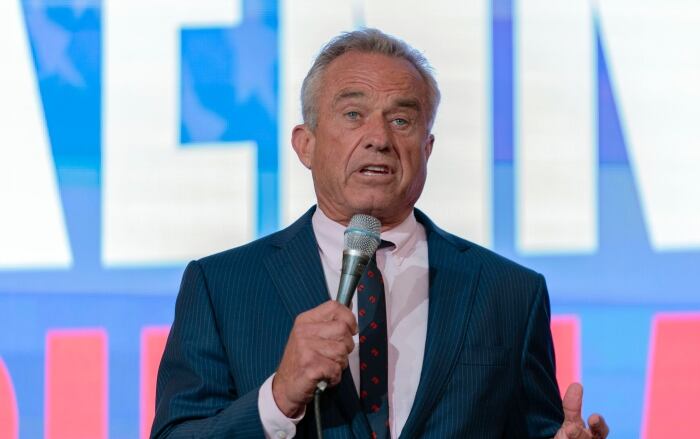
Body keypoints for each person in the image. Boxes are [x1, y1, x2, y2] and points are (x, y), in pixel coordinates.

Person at [151, 28, 609, 439]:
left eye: (402, 120)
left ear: (426, 149)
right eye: (353, 114)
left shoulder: (508, 292)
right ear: (304, 144)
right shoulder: (222, 286)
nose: (379, 138)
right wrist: (278, 397)